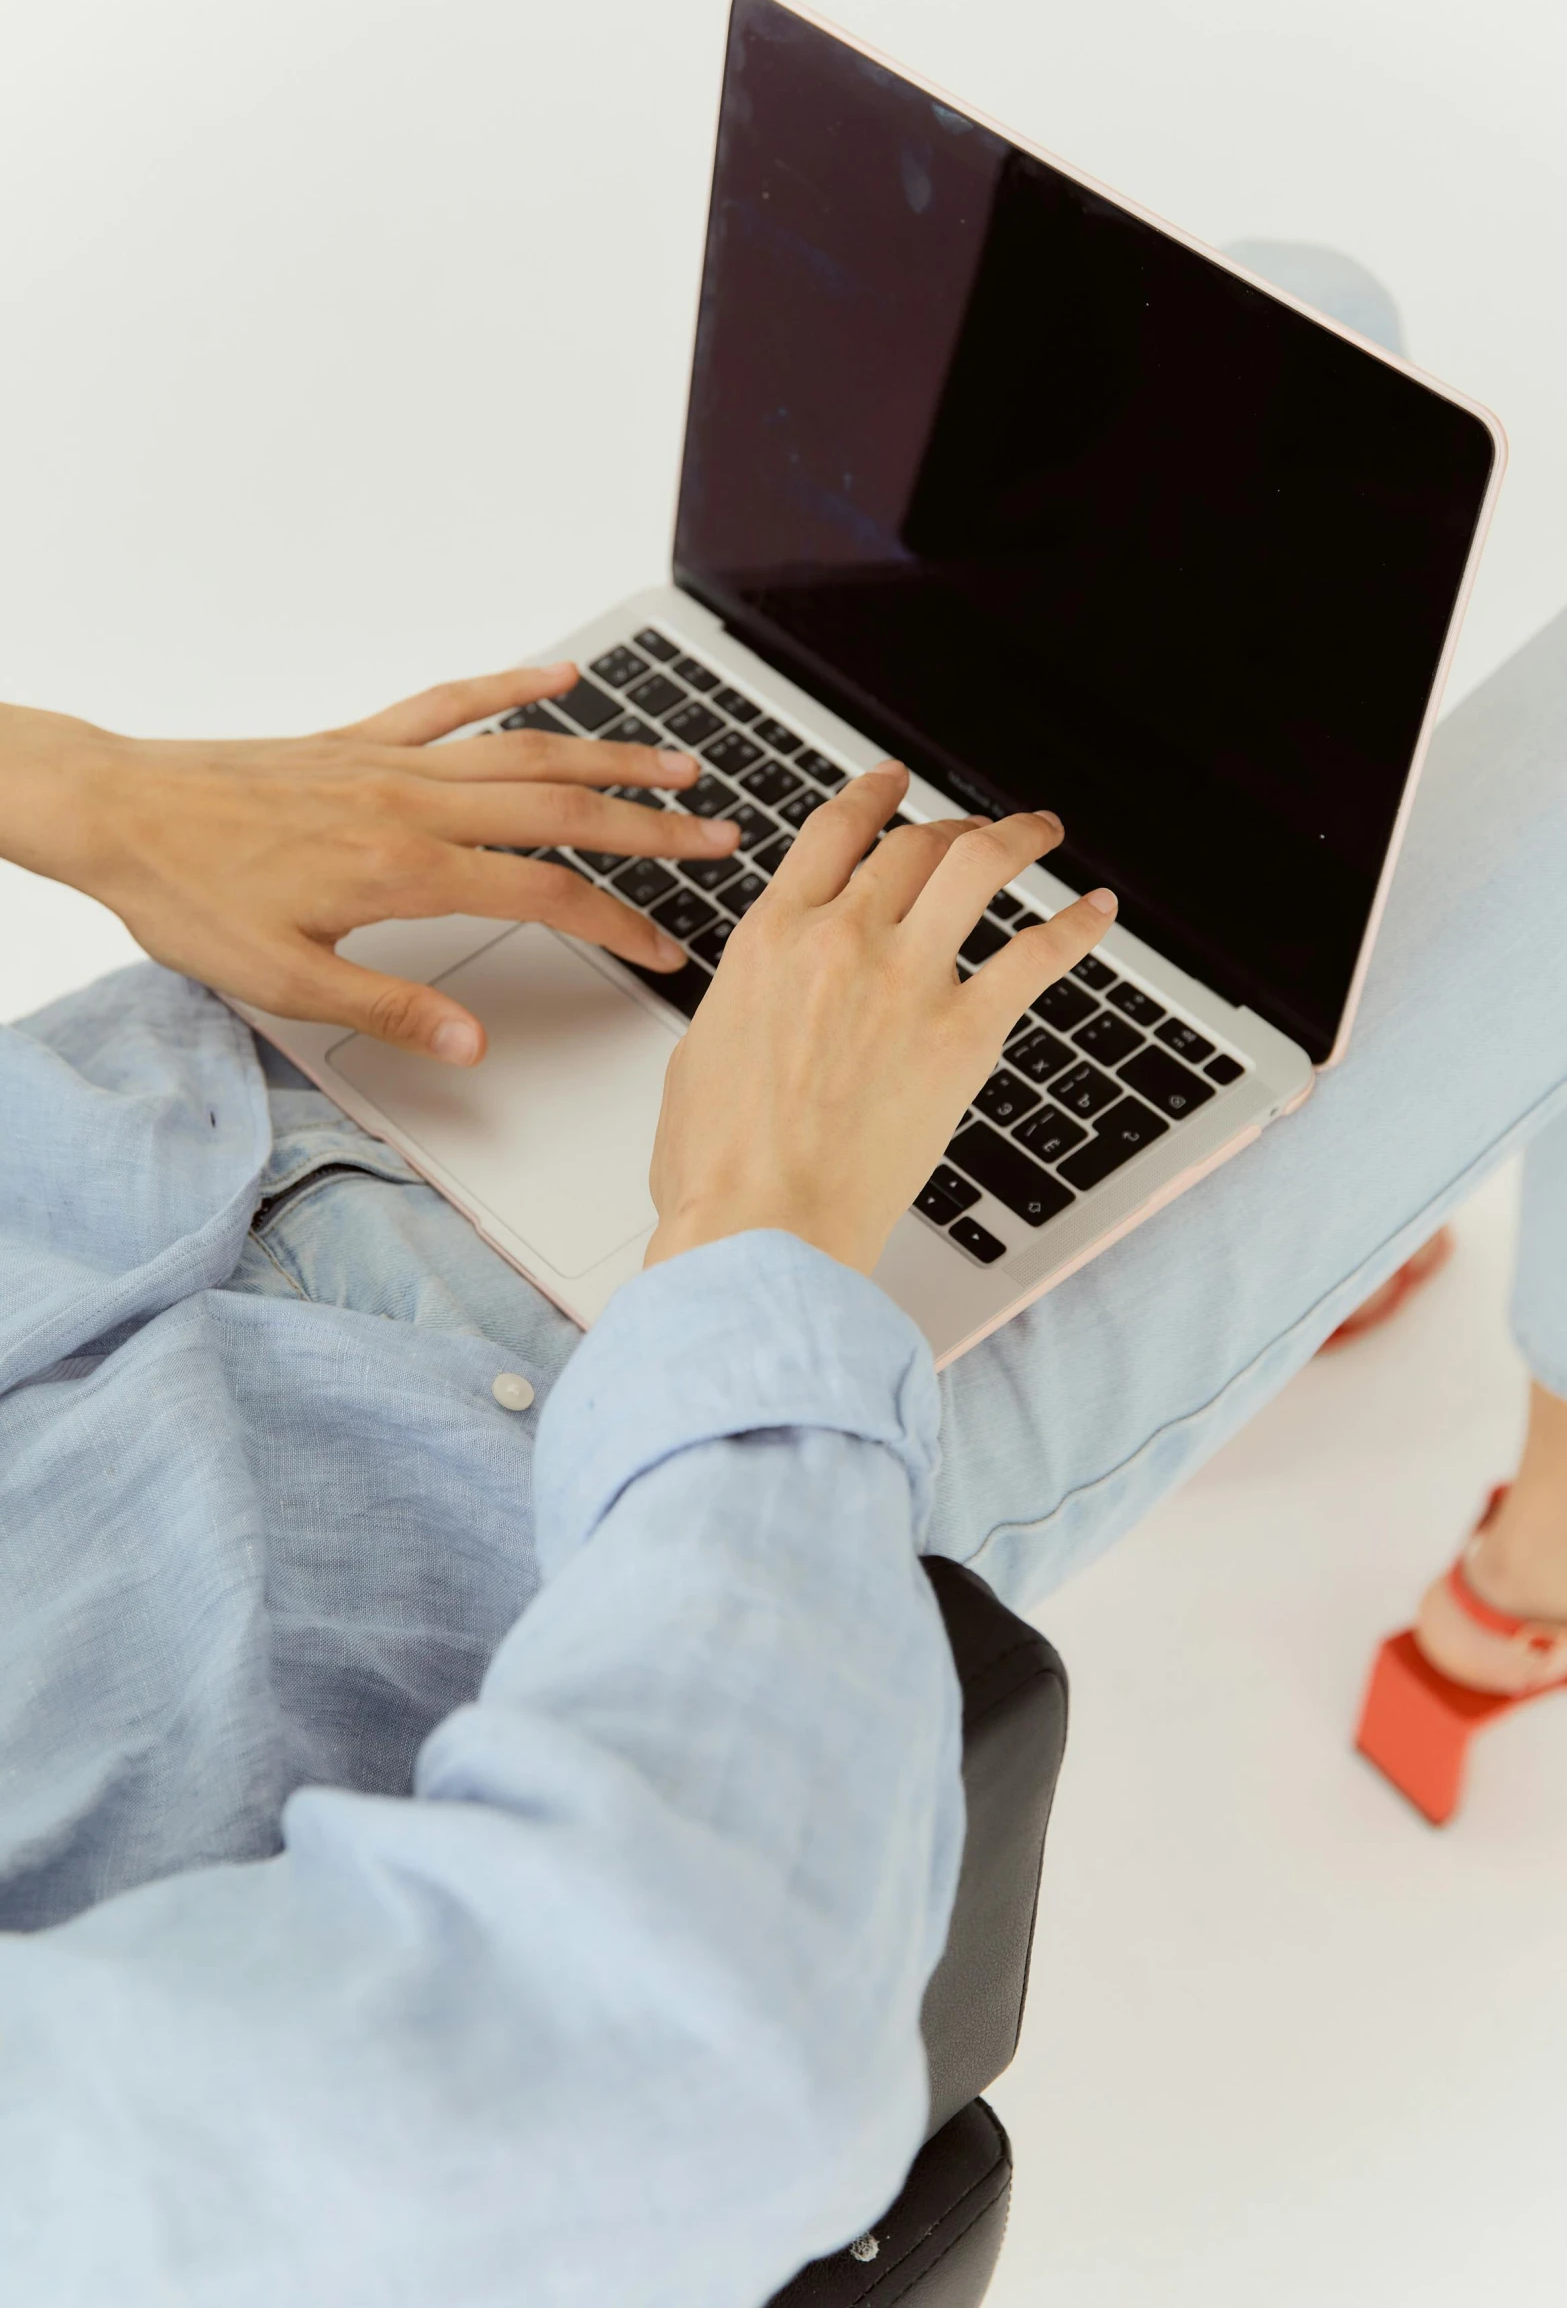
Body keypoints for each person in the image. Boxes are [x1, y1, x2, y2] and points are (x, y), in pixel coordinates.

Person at [2, 245, 1565, 2302]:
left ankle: (1299, 1156)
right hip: (636, 1419)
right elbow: (700, 2050)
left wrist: (96, 791)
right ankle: (1534, 1541)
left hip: (210, 1052)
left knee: (1273, 346)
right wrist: (761, 1239)